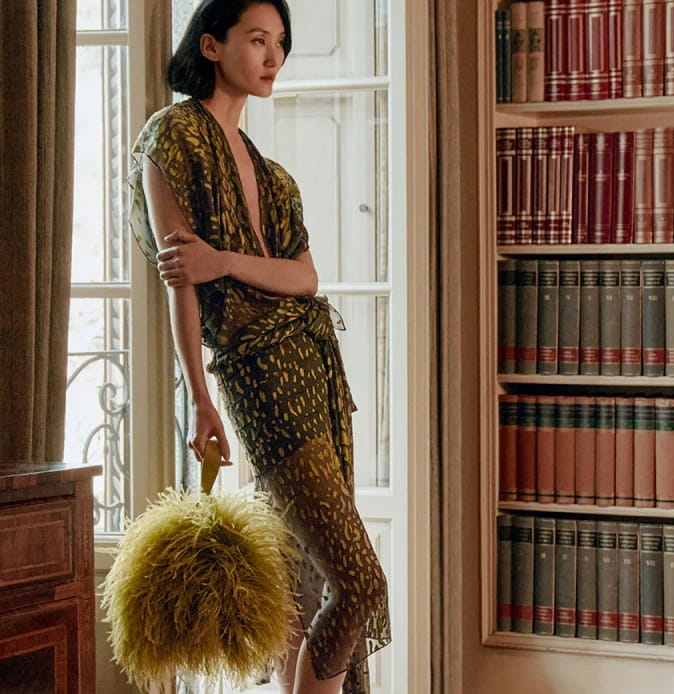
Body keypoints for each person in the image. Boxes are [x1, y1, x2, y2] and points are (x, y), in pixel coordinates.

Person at [125, 2, 391, 693]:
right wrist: (199, 399)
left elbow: (303, 276)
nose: (273, 56)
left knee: (303, 592)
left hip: (312, 369)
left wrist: (226, 261)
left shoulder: (271, 174)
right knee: (359, 583)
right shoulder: (171, 139)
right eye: (256, 40)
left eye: (280, 43)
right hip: (259, 378)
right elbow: (180, 282)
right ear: (211, 45)